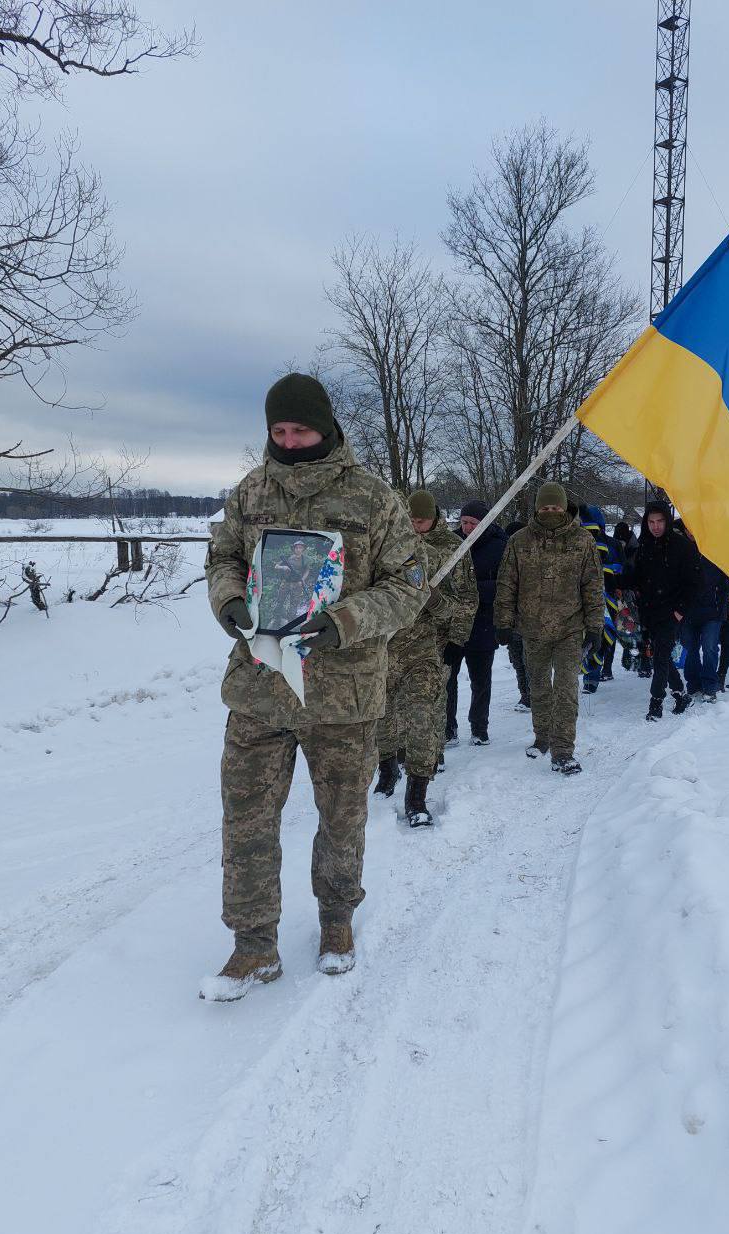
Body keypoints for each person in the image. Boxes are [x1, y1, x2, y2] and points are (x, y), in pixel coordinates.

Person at [203, 373, 428, 997]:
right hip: (260, 688)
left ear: (325, 426)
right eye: (278, 430)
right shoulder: (251, 492)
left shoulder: (373, 498)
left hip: (342, 696)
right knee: (246, 819)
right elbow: (222, 558)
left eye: (300, 429)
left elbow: (409, 585)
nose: (288, 441)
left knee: (342, 816)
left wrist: (345, 621)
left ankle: (336, 922)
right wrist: (228, 600)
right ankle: (253, 946)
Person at [374, 490, 477, 826]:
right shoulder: (384, 547)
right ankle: (387, 769)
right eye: (411, 521)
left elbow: (463, 602)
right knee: (383, 714)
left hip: (426, 647)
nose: (416, 526)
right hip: (384, 647)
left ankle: (417, 793)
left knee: (423, 715)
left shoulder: (446, 551)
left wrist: (451, 630)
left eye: (421, 520)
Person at [494, 482, 603, 774]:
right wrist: (503, 621)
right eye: (545, 507)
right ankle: (542, 736)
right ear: (537, 509)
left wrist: (595, 627)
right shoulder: (519, 541)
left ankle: (563, 750)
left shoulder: (582, 540)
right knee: (539, 687)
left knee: (566, 689)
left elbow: (593, 586)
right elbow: (507, 584)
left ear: (564, 508)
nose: (550, 511)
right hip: (532, 629)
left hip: (570, 629)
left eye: (555, 507)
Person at [444, 500, 507, 746]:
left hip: (483, 621)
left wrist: (473, 591)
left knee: (481, 679)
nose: (467, 527)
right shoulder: (451, 543)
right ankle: (448, 728)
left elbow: (506, 583)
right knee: (447, 679)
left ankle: (479, 728)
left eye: (472, 523)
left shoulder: (499, 545)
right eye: (464, 522)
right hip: (452, 622)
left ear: (484, 523)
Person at [629, 501, 697, 721]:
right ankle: (680, 694)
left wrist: (680, 611)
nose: (656, 526)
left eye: (660, 521)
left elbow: (695, 583)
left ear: (667, 521)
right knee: (662, 655)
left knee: (659, 657)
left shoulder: (682, 546)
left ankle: (656, 703)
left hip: (672, 612)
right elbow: (638, 578)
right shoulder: (644, 545)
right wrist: (618, 581)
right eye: (651, 522)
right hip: (650, 611)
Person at [680, 527, 729, 703]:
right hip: (687, 611)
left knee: (710, 647)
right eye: (688, 528)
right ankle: (693, 684)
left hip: (713, 610)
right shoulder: (680, 549)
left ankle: (710, 686)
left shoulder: (717, 549)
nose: (692, 531)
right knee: (690, 649)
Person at [579, 504, 622, 692]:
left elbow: (621, 569)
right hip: (593, 595)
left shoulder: (611, 544)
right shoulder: (579, 542)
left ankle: (598, 672)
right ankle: (595, 674)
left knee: (601, 634)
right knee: (598, 634)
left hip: (607, 596)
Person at [503, 519, 532, 712]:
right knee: (518, 661)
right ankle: (525, 695)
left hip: (531, 621)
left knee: (530, 661)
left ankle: (534, 695)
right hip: (513, 621)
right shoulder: (505, 560)